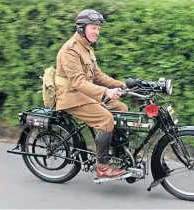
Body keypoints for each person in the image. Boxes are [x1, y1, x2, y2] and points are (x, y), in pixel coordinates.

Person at [55, 9, 129, 179]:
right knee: (105, 119)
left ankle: (119, 153)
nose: (97, 31)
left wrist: (122, 85)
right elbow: (78, 82)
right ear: (81, 28)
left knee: (121, 109)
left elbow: (98, 76)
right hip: (70, 95)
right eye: (93, 28)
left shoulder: (86, 47)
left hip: (85, 93)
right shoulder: (70, 50)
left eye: (98, 29)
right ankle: (102, 168)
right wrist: (106, 92)